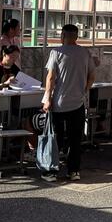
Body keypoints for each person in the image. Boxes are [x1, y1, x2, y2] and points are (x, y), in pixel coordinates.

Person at [41, 24, 95, 181]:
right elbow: (92, 76)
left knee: (55, 137)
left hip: (59, 102)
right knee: (75, 139)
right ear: (77, 36)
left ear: (62, 36)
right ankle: (74, 171)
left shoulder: (56, 52)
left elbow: (51, 77)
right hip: (78, 102)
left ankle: (51, 171)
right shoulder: (85, 53)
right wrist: (84, 90)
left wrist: (47, 98)